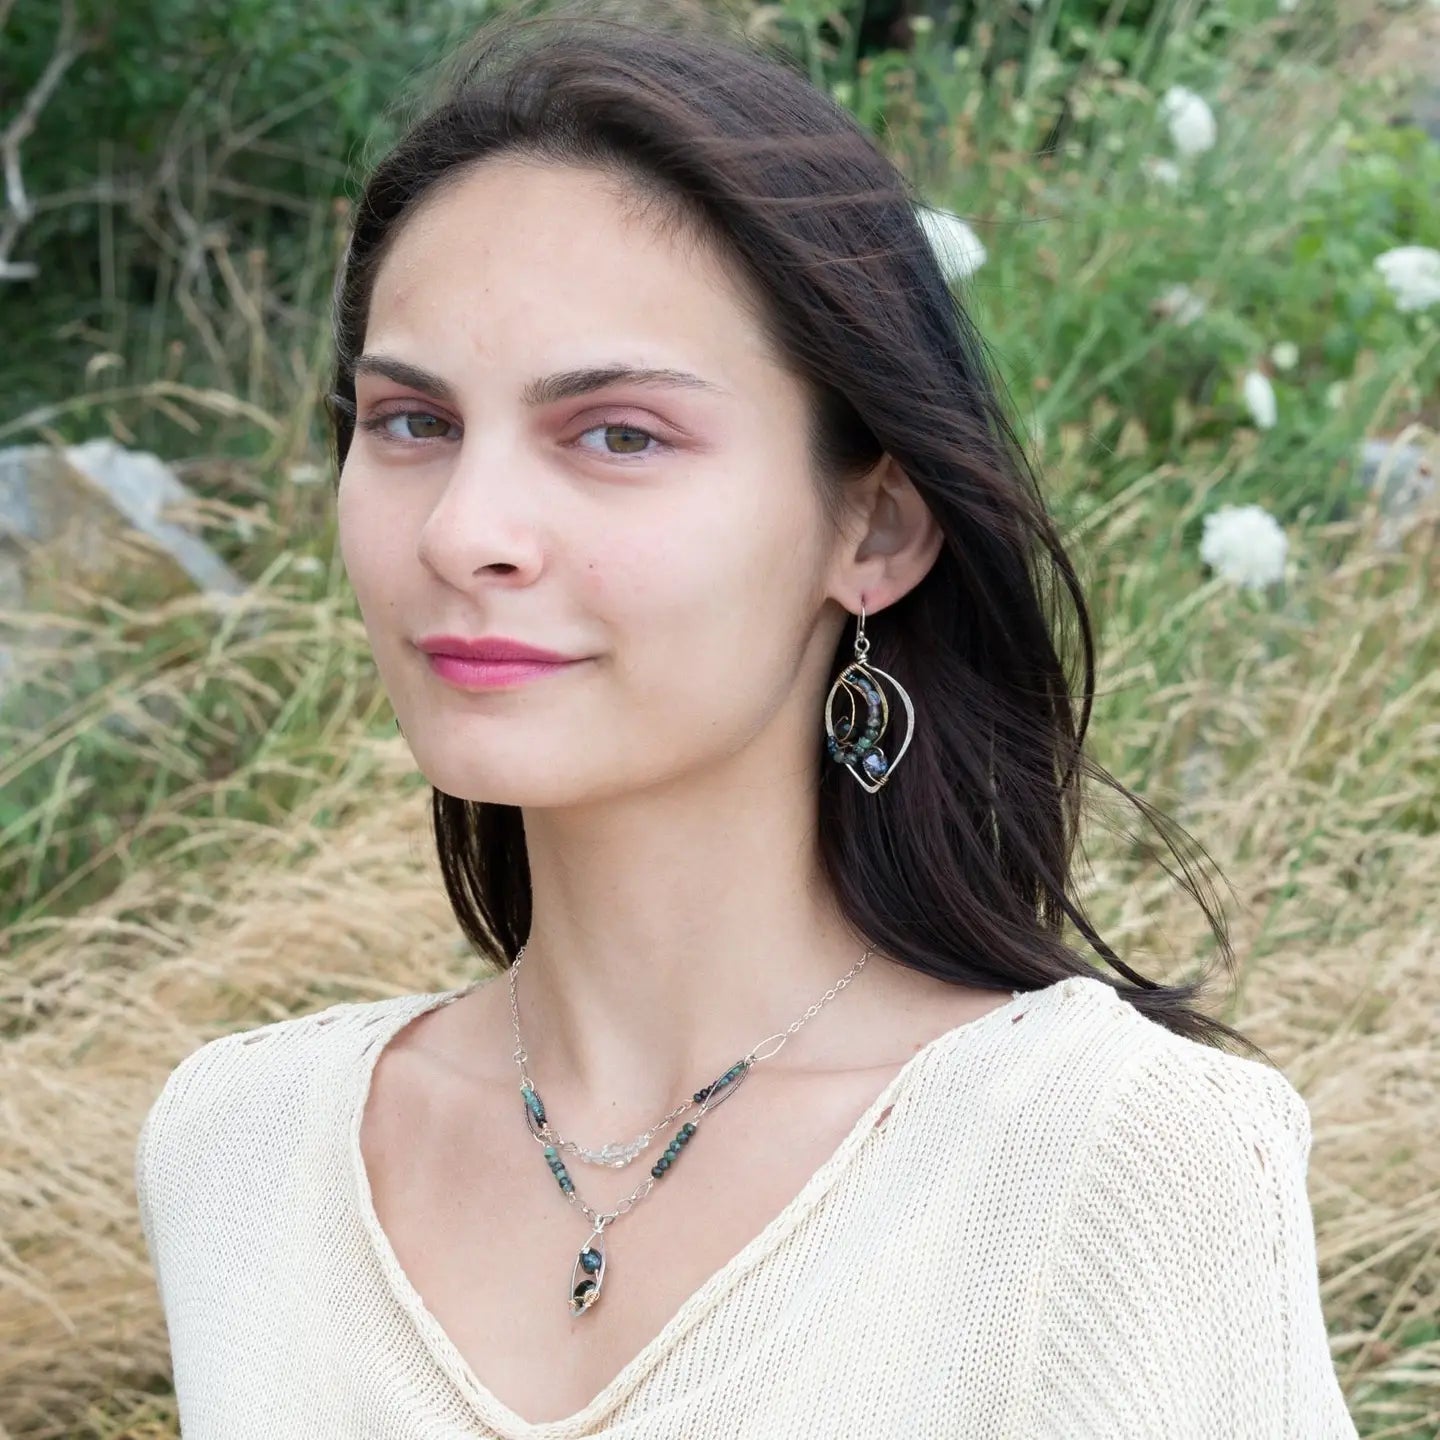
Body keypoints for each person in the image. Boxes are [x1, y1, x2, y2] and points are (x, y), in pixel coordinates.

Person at [134, 2, 1361, 1435]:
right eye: (411, 423)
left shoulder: (1105, 1162)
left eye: (618, 435)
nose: (467, 530)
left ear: (877, 529)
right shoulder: (234, 1151)